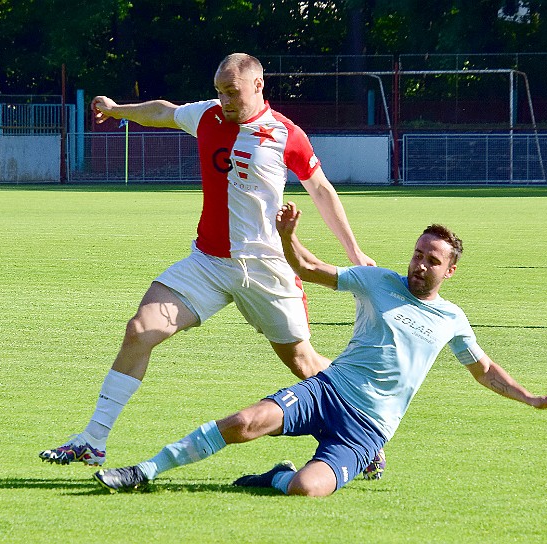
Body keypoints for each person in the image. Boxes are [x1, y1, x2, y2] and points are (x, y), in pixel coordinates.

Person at [93, 202, 547, 496]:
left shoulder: (452, 319)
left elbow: (485, 370)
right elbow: (308, 269)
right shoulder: (376, 281)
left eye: (432, 260)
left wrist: (533, 398)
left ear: (449, 271)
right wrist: (287, 236)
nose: (420, 264)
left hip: (369, 430)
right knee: (243, 423)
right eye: (417, 253)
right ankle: (146, 470)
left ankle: (277, 476)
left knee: (308, 488)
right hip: (329, 389)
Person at [40, 53, 376, 468]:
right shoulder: (208, 116)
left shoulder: (285, 134)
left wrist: (354, 252)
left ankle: (364, 431)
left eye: (231, 92)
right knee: (140, 330)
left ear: (258, 85)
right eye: (219, 91)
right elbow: (163, 111)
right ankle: (93, 439)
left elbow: (321, 190)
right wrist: (116, 110)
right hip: (208, 263)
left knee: (305, 364)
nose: (224, 100)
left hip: (266, 268)